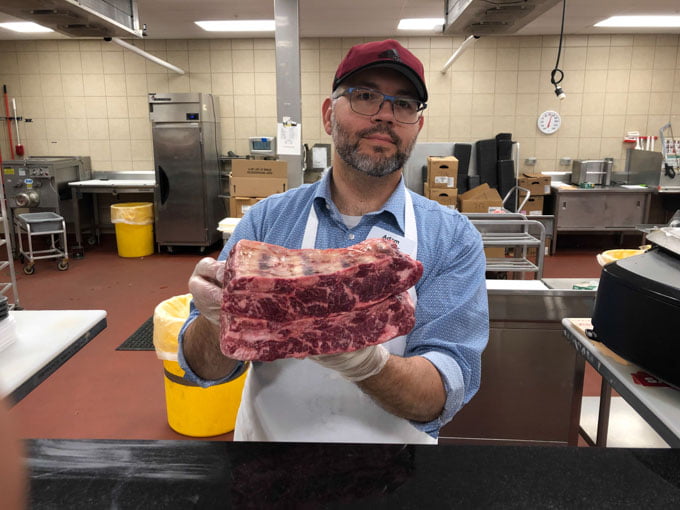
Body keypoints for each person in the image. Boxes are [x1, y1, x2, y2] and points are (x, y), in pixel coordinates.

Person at [179, 39, 489, 444]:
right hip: (271, 461)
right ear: (329, 115)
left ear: (417, 125)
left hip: (393, 471)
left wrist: (367, 365)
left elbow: (444, 392)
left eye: (404, 104)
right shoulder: (266, 221)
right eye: (365, 96)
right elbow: (204, 370)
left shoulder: (452, 238)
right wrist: (214, 321)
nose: (385, 116)